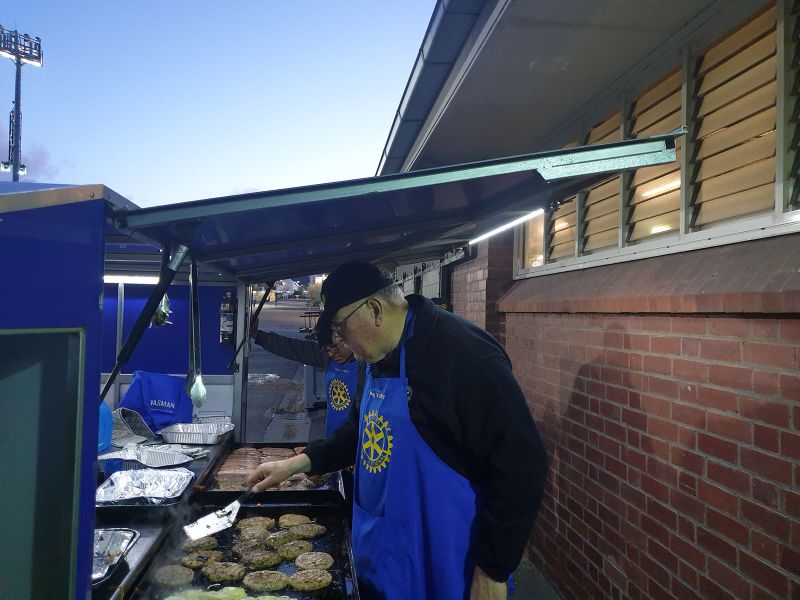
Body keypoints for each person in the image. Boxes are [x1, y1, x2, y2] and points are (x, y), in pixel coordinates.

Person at [247, 262, 548, 600]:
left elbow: (522, 466)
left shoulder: (464, 355)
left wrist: (493, 569)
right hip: (379, 555)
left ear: (374, 309)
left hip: (445, 564)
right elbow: (357, 434)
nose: (338, 340)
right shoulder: (373, 361)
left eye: (340, 328)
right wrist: (297, 464)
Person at [250, 316, 362, 436]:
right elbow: (293, 348)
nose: (331, 353)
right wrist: (259, 336)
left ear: (347, 338)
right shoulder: (328, 358)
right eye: (326, 349)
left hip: (358, 440)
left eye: (334, 347)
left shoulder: (366, 365)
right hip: (333, 438)